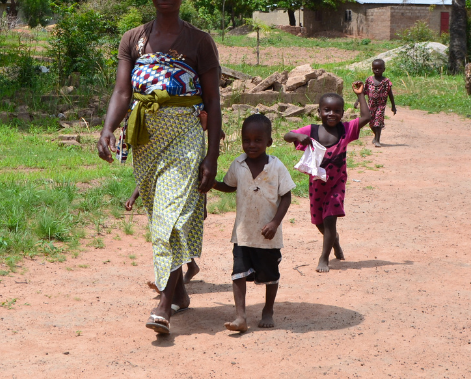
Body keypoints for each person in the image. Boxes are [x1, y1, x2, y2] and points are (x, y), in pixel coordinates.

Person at [97, 0, 222, 335]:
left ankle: (163, 306)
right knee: (160, 216)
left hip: (184, 137)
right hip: (145, 138)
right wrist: (107, 129)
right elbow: (122, 93)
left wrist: (212, 156)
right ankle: (180, 292)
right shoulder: (133, 39)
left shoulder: (200, 42)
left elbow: (213, 102)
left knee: (169, 218)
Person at [212, 114, 294, 332]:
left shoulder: (276, 166)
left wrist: (275, 222)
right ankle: (240, 316)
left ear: (269, 141)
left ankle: (268, 309)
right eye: (246, 140)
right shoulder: (238, 164)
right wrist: (211, 184)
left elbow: (286, 195)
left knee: (270, 275)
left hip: (269, 235)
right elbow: (230, 186)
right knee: (238, 273)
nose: (251, 144)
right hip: (243, 232)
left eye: (258, 140)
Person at [284, 84, 371, 272]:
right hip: (317, 186)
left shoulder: (346, 130)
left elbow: (366, 117)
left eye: (337, 111)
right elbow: (286, 135)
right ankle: (334, 241)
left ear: (342, 113)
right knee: (319, 223)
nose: (332, 114)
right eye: (327, 110)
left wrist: (361, 94)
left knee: (330, 218)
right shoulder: (312, 130)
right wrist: (298, 137)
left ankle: (324, 258)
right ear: (319, 111)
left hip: (336, 185)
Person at [125, 187, 201, 285]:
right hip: (163, 202)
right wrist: (133, 197)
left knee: (173, 236)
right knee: (169, 238)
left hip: (180, 201)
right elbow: (146, 176)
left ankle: (166, 283)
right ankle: (187, 269)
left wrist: (203, 204)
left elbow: (201, 175)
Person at [355, 58, 396, 147]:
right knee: (371, 122)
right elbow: (363, 91)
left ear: (384, 69)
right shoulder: (369, 80)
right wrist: (357, 101)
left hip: (380, 105)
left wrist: (393, 106)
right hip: (371, 105)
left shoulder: (386, 81)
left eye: (379, 68)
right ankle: (376, 136)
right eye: (375, 68)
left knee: (378, 122)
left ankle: (377, 140)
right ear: (372, 69)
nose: (377, 70)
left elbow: (390, 94)